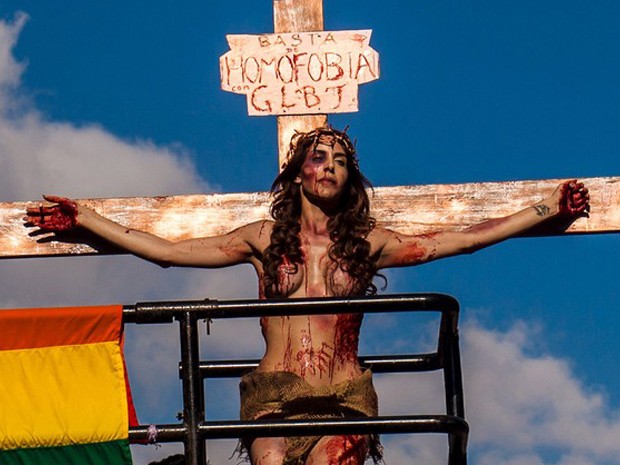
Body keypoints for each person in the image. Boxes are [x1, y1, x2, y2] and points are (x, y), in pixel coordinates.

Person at [25, 127, 589, 465]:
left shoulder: (369, 244)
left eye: (341, 161)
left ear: (350, 179)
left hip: (343, 394)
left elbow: (462, 239)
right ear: (298, 172)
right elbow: (168, 251)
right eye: (319, 156)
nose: (330, 166)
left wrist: (546, 208)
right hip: (275, 396)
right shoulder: (262, 239)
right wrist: (90, 222)